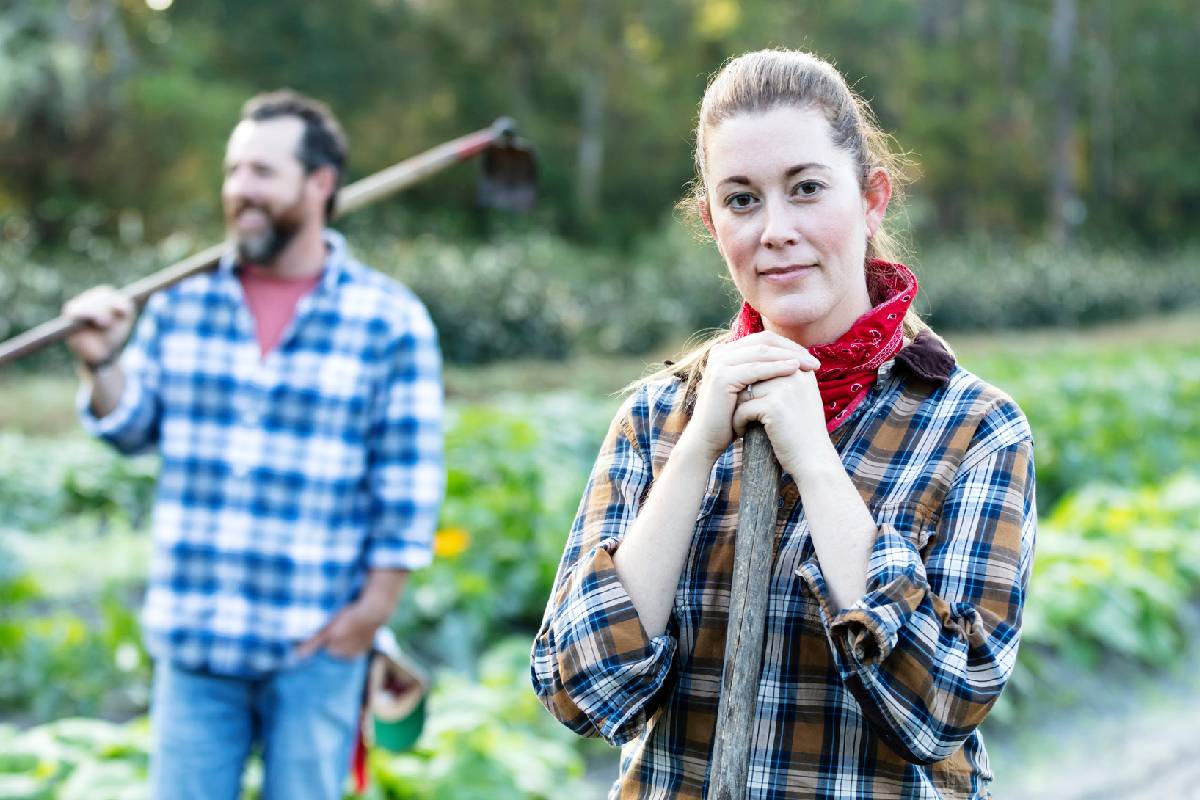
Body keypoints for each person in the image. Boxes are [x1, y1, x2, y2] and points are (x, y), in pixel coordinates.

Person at [531, 49, 1036, 799]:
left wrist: (816, 465)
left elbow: (943, 708)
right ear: (711, 222)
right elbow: (582, 690)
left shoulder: (974, 428)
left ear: (871, 199)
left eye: (805, 189)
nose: (775, 229)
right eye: (741, 200)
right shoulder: (658, 416)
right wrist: (700, 447)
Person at [63, 90, 443, 800]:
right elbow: (130, 427)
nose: (239, 190)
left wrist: (366, 619)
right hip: (194, 646)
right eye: (234, 171)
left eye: (263, 172)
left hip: (316, 648)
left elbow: (408, 487)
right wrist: (99, 360)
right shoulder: (182, 302)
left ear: (319, 183)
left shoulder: (388, 321)